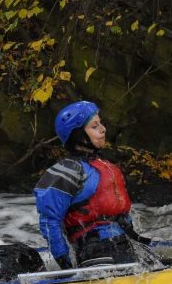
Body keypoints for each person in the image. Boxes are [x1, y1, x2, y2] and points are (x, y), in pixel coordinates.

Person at [34, 100, 154, 269]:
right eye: (94, 126)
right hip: (94, 249)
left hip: (121, 242)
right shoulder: (66, 172)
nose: (103, 129)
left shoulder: (105, 165)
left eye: (101, 123)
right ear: (78, 135)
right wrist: (66, 265)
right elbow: (50, 221)